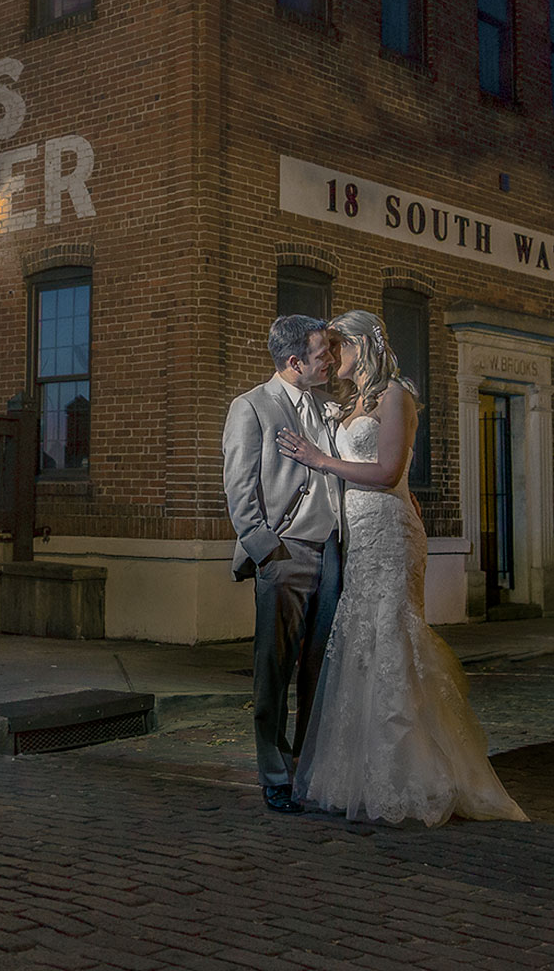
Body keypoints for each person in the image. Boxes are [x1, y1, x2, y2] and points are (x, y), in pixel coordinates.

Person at [276, 309, 527, 826]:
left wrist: (318, 460)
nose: (330, 358)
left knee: (391, 637)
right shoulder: (349, 405)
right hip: (357, 538)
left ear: (362, 346)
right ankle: (361, 772)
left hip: (389, 534)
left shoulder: (397, 396)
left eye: (337, 348)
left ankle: (412, 772)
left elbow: (388, 470)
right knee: (360, 642)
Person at [221, 314, 345, 814]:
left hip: (332, 552)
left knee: (320, 667)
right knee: (273, 668)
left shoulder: (325, 406)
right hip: (286, 551)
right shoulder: (251, 407)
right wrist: (267, 552)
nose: (331, 361)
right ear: (294, 362)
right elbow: (239, 489)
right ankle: (273, 772)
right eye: (322, 355)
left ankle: (307, 766)